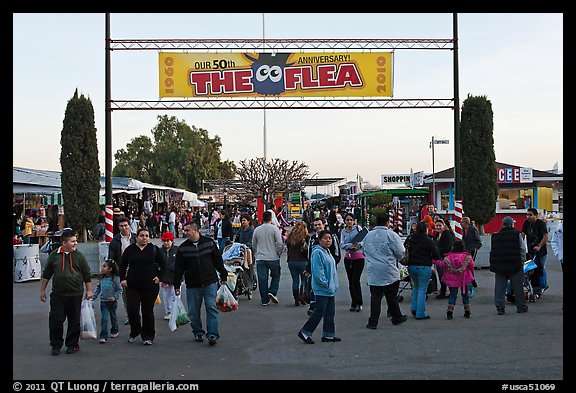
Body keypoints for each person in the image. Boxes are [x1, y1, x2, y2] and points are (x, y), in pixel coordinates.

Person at [40, 229, 93, 355]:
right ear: (64, 243)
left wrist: (89, 290)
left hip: (75, 293)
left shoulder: (79, 256)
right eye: (73, 241)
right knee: (56, 319)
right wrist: (42, 291)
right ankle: (56, 345)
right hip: (58, 294)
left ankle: (72, 344)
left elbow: (86, 274)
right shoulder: (54, 255)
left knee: (74, 320)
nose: (75, 244)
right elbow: (46, 274)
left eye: (76, 241)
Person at [174, 222, 228, 346]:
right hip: (193, 284)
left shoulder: (209, 243)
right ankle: (198, 331)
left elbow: (217, 260)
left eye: (187, 230)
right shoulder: (183, 248)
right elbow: (179, 268)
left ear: (195, 230)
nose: (184, 232)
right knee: (193, 311)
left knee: (211, 308)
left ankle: (212, 334)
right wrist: (177, 284)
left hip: (210, 282)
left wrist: (223, 274)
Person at [119, 227, 166, 345]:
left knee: (147, 311)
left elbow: (164, 264)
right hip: (132, 285)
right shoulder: (130, 250)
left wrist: (159, 277)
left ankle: (148, 336)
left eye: (146, 235)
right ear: (137, 237)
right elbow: (122, 265)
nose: (144, 238)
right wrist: (123, 279)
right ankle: (135, 331)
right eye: (142, 235)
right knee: (132, 310)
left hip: (150, 285)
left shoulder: (154, 249)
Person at [362, 213, 407, 328]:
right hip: (388, 268)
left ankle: (373, 322)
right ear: (388, 222)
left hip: (373, 269)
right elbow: (400, 251)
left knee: (375, 298)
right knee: (392, 297)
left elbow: (364, 250)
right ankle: (396, 317)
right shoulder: (391, 235)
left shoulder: (368, 236)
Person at [297, 230, 340, 344]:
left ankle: (328, 334)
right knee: (319, 311)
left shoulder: (327, 252)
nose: (328, 240)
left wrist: (333, 284)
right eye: (325, 238)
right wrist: (324, 283)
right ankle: (305, 332)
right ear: (320, 240)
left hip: (330, 288)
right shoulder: (317, 252)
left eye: (330, 238)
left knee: (330, 312)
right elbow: (318, 271)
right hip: (322, 288)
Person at [489, 216, 528, 315]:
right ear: (512, 224)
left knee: (500, 288)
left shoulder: (495, 236)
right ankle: (521, 307)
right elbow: (522, 249)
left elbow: (493, 251)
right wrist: (522, 261)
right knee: (518, 287)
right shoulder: (517, 234)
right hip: (515, 264)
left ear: (503, 224)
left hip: (500, 266)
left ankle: (500, 308)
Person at [405, 221, 441, 319]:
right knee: (422, 289)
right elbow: (436, 254)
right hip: (424, 266)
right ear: (425, 229)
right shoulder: (428, 240)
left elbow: (404, 249)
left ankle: (414, 308)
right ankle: (420, 312)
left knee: (416, 287)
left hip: (411, 266)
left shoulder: (410, 238)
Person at [433, 240, 475, 319]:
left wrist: (435, 261)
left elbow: (442, 264)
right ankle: (467, 311)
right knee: (465, 295)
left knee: (453, 295)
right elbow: (472, 266)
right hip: (464, 279)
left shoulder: (448, 257)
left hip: (452, 280)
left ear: (453, 247)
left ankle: (450, 312)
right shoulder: (467, 256)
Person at [108, 217, 137, 325]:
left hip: (137, 269)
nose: (124, 228)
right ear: (118, 227)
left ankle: (137, 313)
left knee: (138, 293)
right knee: (126, 295)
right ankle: (130, 315)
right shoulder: (115, 241)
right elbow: (111, 258)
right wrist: (115, 272)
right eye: (121, 226)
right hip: (123, 271)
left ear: (129, 225)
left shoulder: (135, 238)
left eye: (125, 225)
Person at [252, 210, 284, 306]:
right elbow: (279, 243)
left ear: (262, 218)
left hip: (260, 257)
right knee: (276, 275)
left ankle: (264, 300)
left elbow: (253, 244)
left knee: (262, 279)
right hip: (273, 257)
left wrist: (255, 254)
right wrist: (279, 253)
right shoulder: (274, 229)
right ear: (271, 218)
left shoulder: (257, 229)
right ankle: (272, 291)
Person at [339, 213, 366, 312]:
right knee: (350, 282)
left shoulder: (358, 229)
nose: (349, 222)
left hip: (358, 258)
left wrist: (358, 246)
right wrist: (350, 246)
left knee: (356, 280)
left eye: (351, 220)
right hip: (348, 258)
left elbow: (364, 240)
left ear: (354, 221)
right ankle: (353, 302)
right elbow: (342, 244)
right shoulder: (343, 232)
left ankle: (359, 302)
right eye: (347, 220)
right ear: (345, 221)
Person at [92, 259, 122, 343]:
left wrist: (114, 297)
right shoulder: (102, 277)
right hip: (104, 302)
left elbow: (119, 289)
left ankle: (115, 330)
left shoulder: (115, 278)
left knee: (113, 317)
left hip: (113, 302)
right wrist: (93, 297)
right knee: (104, 319)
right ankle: (103, 336)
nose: (102, 268)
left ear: (110, 269)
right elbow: (98, 288)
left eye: (104, 266)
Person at [522, 208, 549, 297]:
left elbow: (545, 236)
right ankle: (533, 286)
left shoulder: (540, 224)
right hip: (530, 251)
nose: (528, 217)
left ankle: (542, 285)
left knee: (539, 267)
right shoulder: (526, 223)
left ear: (535, 216)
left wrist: (539, 246)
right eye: (527, 215)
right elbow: (523, 234)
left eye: (530, 215)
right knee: (530, 269)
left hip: (540, 251)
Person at [286, 221, 310, 306]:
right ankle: (301, 295)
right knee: (303, 279)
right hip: (303, 261)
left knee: (295, 280)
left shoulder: (290, 237)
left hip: (291, 261)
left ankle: (296, 298)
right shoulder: (306, 237)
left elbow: (288, 248)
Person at [159, 231, 179, 321]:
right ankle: (168, 311)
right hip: (165, 277)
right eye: (164, 241)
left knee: (176, 295)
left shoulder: (177, 250)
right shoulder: (159, 251)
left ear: (172, 241)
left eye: (168, 241)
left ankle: (177, 311)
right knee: (166, 295)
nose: (166, 243)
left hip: (176, 277)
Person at [433, 218, 455, 299]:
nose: (438, 227)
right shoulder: (436, 235)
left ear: (443, 226)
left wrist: (437, 251)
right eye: (437, 225)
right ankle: (445, 291)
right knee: (441, 275)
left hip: (444, 258)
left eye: (440, 225)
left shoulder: (446, 234)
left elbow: (448, 247)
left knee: (444, 275)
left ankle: (446, 292)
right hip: (438, 258)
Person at [236, 214, 257, 290]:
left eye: (244, 220)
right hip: (241, 250)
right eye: (242, 220)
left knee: (249, 267)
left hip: (249, 251)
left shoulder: (252, 230)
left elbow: (252, 241)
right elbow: (237, 239)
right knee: (243, 267)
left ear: (248, 221)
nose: (243, 222)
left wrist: (246, 245)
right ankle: (248, 282)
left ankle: (252, 283)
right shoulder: (241, 230)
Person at [461, 216, 482, 288]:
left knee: (470, 266)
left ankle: (472, 281)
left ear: (466, 223)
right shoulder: (464, 230)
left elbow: (478, 241)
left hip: (472, 250)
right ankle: (470, 280)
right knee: (466, 266)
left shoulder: (473, 229)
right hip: (465, 251)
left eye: (462, 222)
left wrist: (475, 248)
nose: (460, 223)